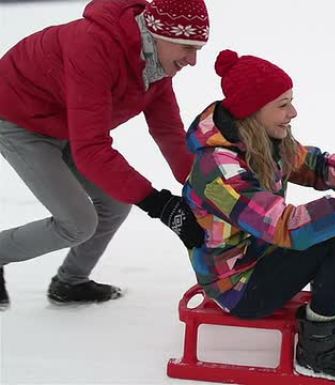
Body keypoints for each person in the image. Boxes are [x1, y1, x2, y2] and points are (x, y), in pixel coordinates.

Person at [183, 49, 335, 383]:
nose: (293, 112)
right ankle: (316, 349)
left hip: (262, 253)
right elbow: (286, 226)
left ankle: (322, 303)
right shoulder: (218, 170)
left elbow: (310, 164)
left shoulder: (264, 139)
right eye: (282, 105)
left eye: (291, 101)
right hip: (238, 286)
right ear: (253, 111)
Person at [0, 0, 209, 309]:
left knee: (116, 201)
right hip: (20, 119)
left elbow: (168, 131)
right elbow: (92, 149)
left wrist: (203, 188)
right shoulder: (94, 47)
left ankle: (70, 283)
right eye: (185, 47)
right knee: (77, 222)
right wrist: (160, 205)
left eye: (198, 49)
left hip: (67, 123)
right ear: (157, 33)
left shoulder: (155, 63)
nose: (192, 60)